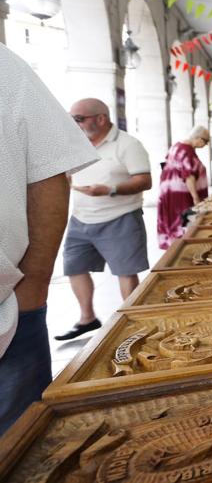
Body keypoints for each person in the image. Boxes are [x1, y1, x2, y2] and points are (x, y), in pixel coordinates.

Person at [0, 52, 98, 433]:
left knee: (22, 442)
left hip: (10, 311)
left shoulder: (6, 68)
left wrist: (34, 284)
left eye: (82, 118)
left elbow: (47, 173)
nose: (78, 123)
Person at [54, 99, 152, 341]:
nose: (74, 124)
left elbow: (144, 181)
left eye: (79, 119)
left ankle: (132, 322)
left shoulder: (128, 144)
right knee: (74, 267)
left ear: (100, 118)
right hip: (81, 218)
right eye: (72, 119)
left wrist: (110, 189)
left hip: (120, 216)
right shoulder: (75, 145)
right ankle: (87, 318)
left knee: (125, 271)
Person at [157, 126, 209, 249]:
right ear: (198, 138)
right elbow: (189, 177)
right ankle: (182, 250)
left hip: (169, 192)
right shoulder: (187, 150)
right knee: (184, 222)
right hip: (180, 194)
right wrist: (196, 198)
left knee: (174, 221)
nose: (205, 145)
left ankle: (174, 248)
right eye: (205, 141)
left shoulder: (177, 146)